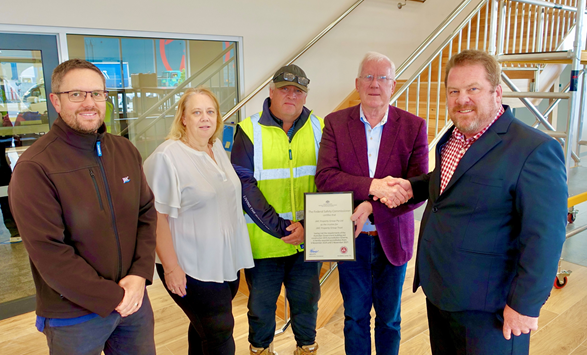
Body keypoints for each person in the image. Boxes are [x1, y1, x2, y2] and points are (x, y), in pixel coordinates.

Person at [387, 50, 567, 354]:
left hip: (490, 309)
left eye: (473, 89)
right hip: (441, 293)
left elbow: (545, 237)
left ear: (496, 92)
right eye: (454, 91)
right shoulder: (455, 136)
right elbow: (450, 182)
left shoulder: (534, 150)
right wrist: (411, 185)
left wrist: (525, 305)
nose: (461, 99)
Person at [9, 59, 157, 355]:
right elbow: (49, 252)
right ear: (56, 101)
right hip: (73, 315)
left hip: (133, 303)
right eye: (76, 94)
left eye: (97, 94)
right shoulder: (35, 167)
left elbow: (146, 214)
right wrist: (114, 295)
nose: (89, 103)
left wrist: (140, 275)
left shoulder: (124, 150)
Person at [315, 52, 428, 355]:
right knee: (355, 318)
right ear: (357, 83)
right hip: (350, 240)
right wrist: (373, 187)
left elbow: (417, 189)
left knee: (389, 319)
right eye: (368, 76)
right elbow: (325, 178)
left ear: (393, 85)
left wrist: (370, 205)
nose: (374, 84)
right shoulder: (335, 123)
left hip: (393, 239)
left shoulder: (413, 126)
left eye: (382, 78)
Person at [143, 87, 254, 355]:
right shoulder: (167, 157)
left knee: (204, 327)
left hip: (223, 260)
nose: (204, 118)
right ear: (183, 118)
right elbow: (155, 216)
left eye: (210, 112)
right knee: (220, 331)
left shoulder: (215, 147)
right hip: (189, 264)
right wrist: (171, 268)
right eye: (196, 112)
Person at [231, 64, 322, 355]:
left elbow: (330, 180)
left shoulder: (320, 127)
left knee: (307, 305)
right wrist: (282, 228)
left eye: (298, 91)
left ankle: (306, 349)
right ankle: (260, 350)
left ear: (305, 96)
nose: (291, 95)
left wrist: (307, 226)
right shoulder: (248, 129)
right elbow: (244, 185)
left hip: (307, 242)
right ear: (271, 92)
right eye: (285, 89)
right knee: (260, 309)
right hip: (266, 242)